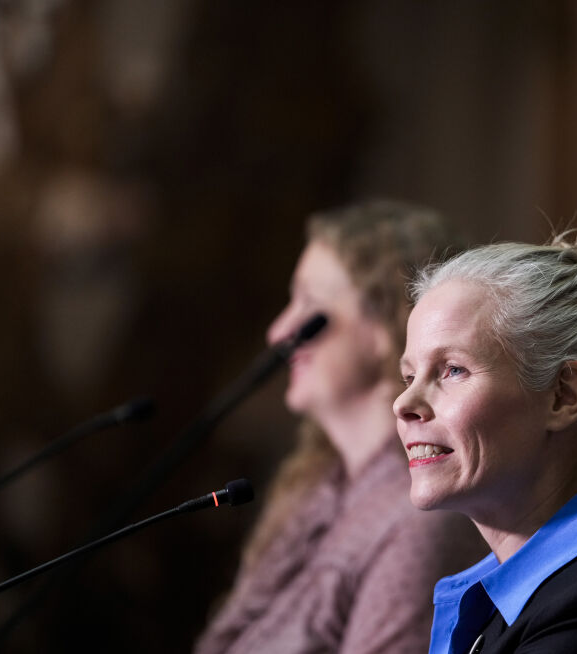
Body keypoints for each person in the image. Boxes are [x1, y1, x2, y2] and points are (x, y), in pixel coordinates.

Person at [195, 200, 488, 654]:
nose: (277, 332)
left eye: (309, 304)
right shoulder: (316, 494)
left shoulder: (418, 520)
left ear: (385, 323)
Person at [393, 237, 577, 654]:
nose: (404, 404)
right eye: (408, 376)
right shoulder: (538, 591)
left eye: (453, 370)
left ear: (564, 395)